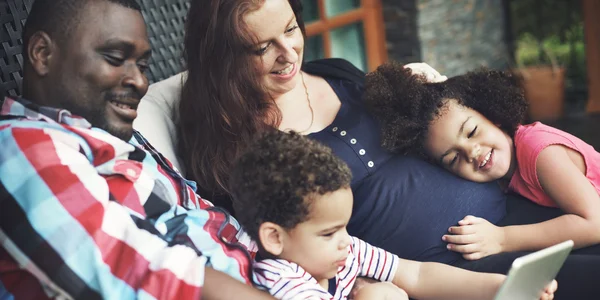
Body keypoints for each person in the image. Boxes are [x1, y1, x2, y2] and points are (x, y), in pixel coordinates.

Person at [133, 0, 600, 298]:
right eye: (262, 47)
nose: (288, 54)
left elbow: (428, 118)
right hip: (450, 269)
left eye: (292, 30)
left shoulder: (335, 73)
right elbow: (284, 248)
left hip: (516, 214)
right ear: (224, 57)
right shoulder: (239, 149)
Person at [0, 0, 274, 299]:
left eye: (142, 66)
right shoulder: (19, 147)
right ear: (42, 53)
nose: (141, 82)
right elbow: (139, 276)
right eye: (115, 58)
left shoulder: (117, 135)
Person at [229, 130, 557, 300]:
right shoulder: (280, 281)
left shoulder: (342, 253)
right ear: (275, 237)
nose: (346, 242)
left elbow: (416, 276)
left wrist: (501, 288)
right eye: (329, 234)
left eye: (344, 228)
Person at [363, 62, 600, 259]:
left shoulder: (539, 151)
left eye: (472, 131)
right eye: (454, 157)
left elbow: (594, 223)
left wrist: (502, 239)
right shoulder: (504, 173)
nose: (472, 152)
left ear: (491, 115)